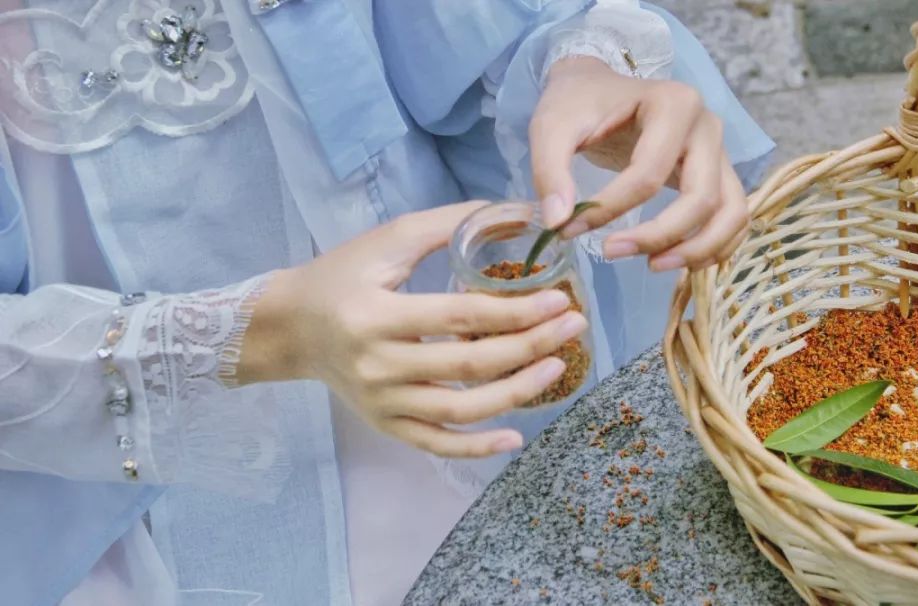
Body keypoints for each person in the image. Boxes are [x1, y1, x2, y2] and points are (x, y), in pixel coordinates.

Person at [0, 0, 774, 604]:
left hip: (448, 372)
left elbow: (477, 33)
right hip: (124, 487)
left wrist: (580, 68)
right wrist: (259, 334)